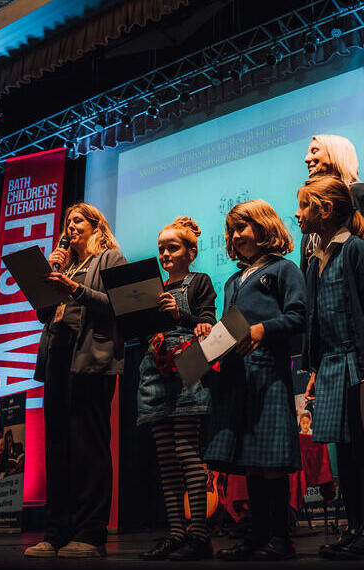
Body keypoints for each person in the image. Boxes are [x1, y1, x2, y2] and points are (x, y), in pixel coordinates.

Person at [295, 176, 364, 560]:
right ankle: (353, 528)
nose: (299, 213)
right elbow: (316, 324)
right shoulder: (315, 261)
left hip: (359, 364)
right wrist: (315, 369)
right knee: (343, 451)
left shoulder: (356, 251)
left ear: (325, 210)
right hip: (333, 366)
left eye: (305, 206)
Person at [202, 199, 307, 561]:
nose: (235, 235)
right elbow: (229, 329)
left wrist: (263, 329)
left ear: (264, 227)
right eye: (231, 230)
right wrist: (209, 339)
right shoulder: (232, 281)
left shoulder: (283, 270)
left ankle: (279, 538)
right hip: (235, 377)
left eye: (242, 227)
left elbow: (298, 317)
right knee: (249, 460)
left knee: (270, 461)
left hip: (267, 373)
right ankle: (256, 534)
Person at [24, 203, 126, 559]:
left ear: (96, 225)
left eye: (77, 220)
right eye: (67, 222)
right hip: (58, 354)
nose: (70, 227)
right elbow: (44, 313)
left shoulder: (110, 259)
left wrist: (75, 289)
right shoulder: (65, 263)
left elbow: (122, 305)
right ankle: (55, 532)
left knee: (88, 446)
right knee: (58, 446)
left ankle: (90, 533)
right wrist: (49, 278)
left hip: (91, 358)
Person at [136, 217, 218, 561]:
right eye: (161, 249)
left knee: (187, 451)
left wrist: (181, 318)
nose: (165, 254)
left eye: (173, 247)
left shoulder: (199, 282)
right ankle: (175, 534)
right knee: (166, 459)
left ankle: (198, 535)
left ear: (191, 251)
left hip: (189, 364)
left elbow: (209, 321)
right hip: (154, 367)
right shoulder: (153, 288)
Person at [302, 134, 364, 284]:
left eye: (314, 151)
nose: (306, 159)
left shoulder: (362, 194)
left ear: (336, 153)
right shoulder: (311, 212)